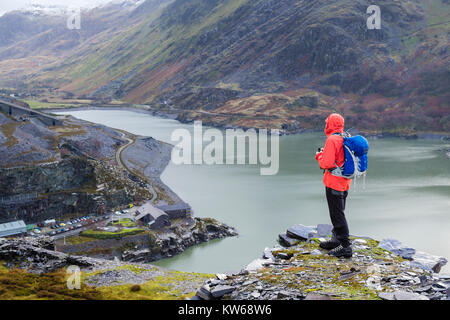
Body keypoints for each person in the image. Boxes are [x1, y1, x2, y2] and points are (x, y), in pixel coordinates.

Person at [315, 113, 352, 258]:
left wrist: (319, 155)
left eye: (327, 123)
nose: (325, 125)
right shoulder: (345, 136)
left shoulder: (332, 139)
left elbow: (327, 163)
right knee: (339, 211)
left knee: (337, 214)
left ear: (330, 124)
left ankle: (345, 246)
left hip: (333, 183)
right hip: (344, 181)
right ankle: (336, 239)